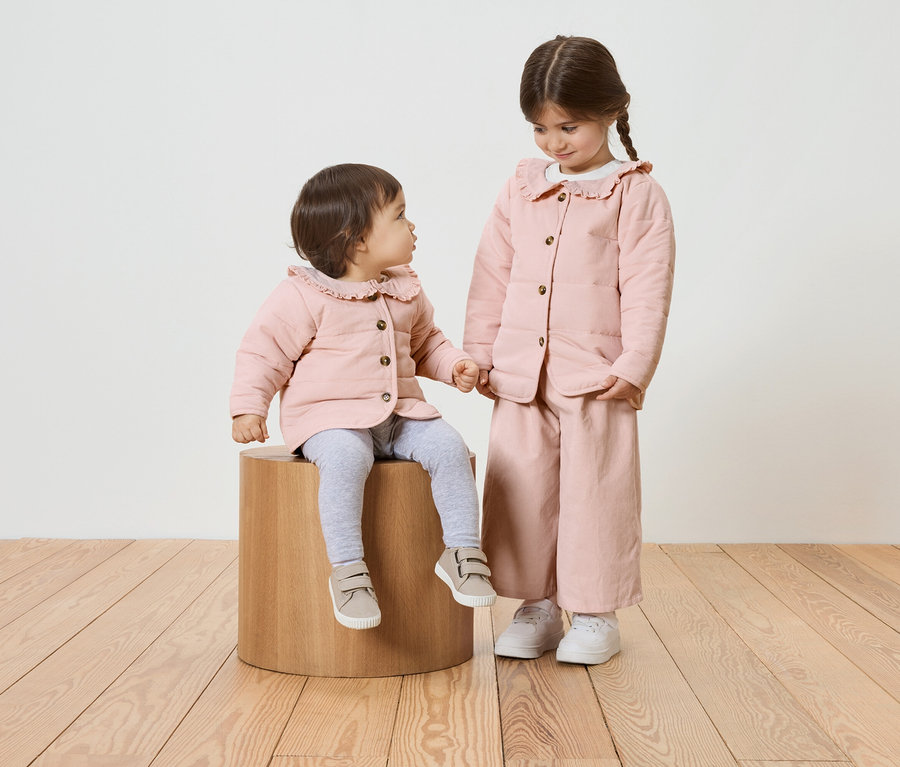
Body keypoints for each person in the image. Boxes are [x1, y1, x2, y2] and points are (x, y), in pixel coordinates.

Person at [464, 36, 675, 664]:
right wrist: (480, 351)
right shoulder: (521, 190)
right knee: (521, 490)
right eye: (540, 128)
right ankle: (535, 605)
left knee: (595, 494)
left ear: (611, 111)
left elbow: (647, 287)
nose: (555, 142)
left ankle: (595, 614)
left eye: (569, 126)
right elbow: (491, 274)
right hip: (519, 375)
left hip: (595, 377)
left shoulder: (636, 195)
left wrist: (634, 364)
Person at [231, 163, 495, 631]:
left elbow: (425, 342)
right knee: (346, 460)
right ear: (357, 240)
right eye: (398, 216)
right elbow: (263, 352)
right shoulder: (303, 295)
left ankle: (461, 551)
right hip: (330, 419)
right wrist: (249, 407)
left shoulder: (404, 289)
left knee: (450, 448)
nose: (411, 226)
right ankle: (349, 572)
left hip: (401, 415)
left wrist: (453, 365)